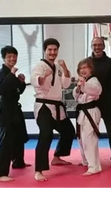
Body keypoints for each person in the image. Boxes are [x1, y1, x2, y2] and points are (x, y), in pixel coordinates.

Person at [30, 38, 75, 181]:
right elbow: (35, 81)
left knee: (68, 131)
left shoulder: (57, 66)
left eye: (55, 50)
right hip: (43, 106)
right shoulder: (40, 65)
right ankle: (38, 170)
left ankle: (57, 157)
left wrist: (65, 68)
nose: (52, 52)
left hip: (57, 105)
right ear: (45, 50)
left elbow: (66, 85)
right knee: (46, 134)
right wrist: (43, 78)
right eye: (49, 49)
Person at [0, 45, 29, 182]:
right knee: (6, 140)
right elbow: (1, 89)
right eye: (9, 56)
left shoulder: (11, 73)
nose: (12, 58)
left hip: (15, 108)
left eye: (14, 56)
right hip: (4, 109)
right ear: (4, 58)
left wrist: (22, 82)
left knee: (19, 136)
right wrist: (12, 74)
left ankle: (18, 162)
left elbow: (18, 91)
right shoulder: (1, 73)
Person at [89, 37, 111, 164]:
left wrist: (110, 94)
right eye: (94, 45)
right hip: (91, 102)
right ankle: (90, 157)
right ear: (92, 46)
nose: (97, 47)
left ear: (103, 46)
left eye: (99, 45)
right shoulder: (87, 63)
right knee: (89, 131)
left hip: (106, 100)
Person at [73, 58, 103, 176]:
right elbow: (76, 96)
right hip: (83, 111)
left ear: (91, 69)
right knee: (81, 138)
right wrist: (79, 86)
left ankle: (94, 166)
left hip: (91, 111)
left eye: (86, 67)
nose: (83, 70)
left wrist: (84, 85)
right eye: (81, 68)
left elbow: (96, 91)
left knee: (89, 139)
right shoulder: (82, 81)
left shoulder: (94, 81)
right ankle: (85, 160)